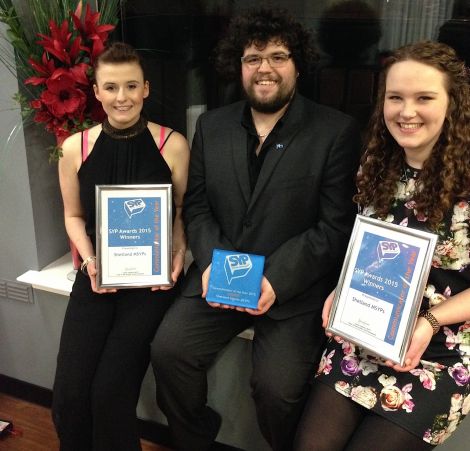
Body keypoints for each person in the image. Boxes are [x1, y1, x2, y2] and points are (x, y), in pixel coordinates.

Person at [151, 8, 361, 451]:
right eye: (253, 58)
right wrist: (208, 261)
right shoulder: (212, 125)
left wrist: (274, 280)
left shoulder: (335, 131)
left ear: (298, 64)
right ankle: (196, 440)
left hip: (292, 289)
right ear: (239, 66)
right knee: (169, 353)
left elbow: (334, 227)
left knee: (277, 390)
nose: (265, 68)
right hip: (219, 275)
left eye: (278, 56)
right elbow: (199, 205)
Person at [294, 41, 470, 450]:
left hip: (442, 350)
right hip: (368, 332)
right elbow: (371, 247)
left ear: (453, 103)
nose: (406, 112)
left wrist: (430, 320)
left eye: (424, 97)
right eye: (395, 98)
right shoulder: (376, 163)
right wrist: (345, 288)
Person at [51, 42, 189, 451]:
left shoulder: (172, 144)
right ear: (96, 91)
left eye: (131, 86)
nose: (122, 97)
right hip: (96, 277)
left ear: (146, 88)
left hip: (151, 287)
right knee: (69, 397)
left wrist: (177, 252)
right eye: (111, 88)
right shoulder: (74, 147)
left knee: (110, 396)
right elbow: (74, 217)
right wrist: (90, 260)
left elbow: (182, 211)